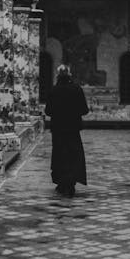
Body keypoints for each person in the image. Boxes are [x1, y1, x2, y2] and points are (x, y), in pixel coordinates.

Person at [44, 64, 89, 197]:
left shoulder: (54, 90)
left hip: (58, 129)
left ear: (58, 75)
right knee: (73, 155)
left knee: (59, 155)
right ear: (70, 74)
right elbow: (84, 110)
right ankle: (71, 183)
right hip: (73, 129)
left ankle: (61, 183)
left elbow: (48, 111)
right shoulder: (76, 89)